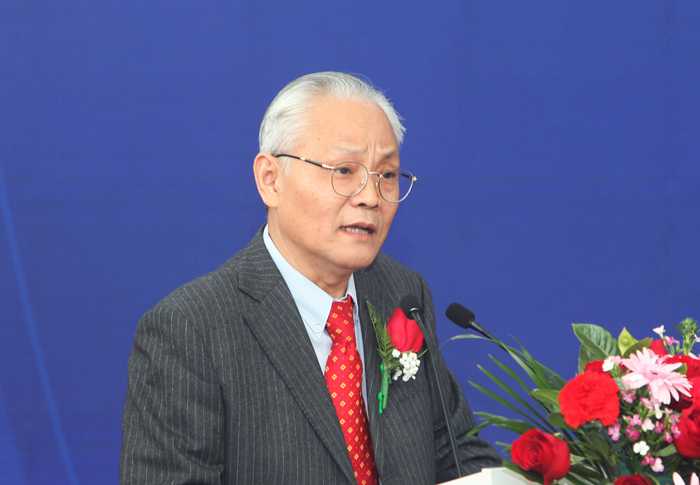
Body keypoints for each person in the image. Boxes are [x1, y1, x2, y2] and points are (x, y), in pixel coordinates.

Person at [120, 72, 501, 484]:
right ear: (271, 180)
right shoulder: (190, 330)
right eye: (345, 170)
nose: (370, 197)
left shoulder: (403, 294)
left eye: (387, 175)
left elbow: (456, 452)